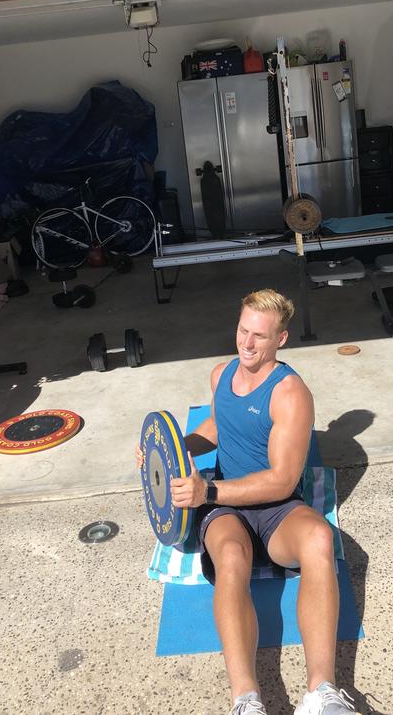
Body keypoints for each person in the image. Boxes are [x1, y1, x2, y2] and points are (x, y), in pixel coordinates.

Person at [168, 289, 355, 715]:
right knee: (232, 556)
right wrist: (172, 450)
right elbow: (216, 425)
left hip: (276, 506)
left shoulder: (290, 394)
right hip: (226, 506)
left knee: (319, 540)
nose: (247, 344)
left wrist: (207, 492)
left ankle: (321, 693)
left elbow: (281, 480)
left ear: (281, 340)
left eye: (259, 336)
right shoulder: (221, 374)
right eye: (242, 330)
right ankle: (247, 700)